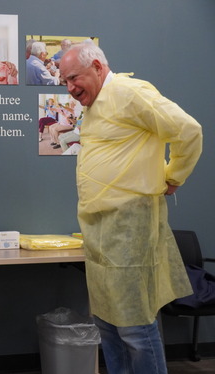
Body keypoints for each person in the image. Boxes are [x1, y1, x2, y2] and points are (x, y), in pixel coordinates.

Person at [60, 43, 203, 374]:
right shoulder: (95, 105)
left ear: (97, 66)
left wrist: (174, 176)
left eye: (73, 78)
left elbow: (189, 131)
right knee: (107, 325)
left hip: (129, 227)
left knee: (135, 326)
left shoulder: (129, 92)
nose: (70, 89)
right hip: (99, 231)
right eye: (64, 82)